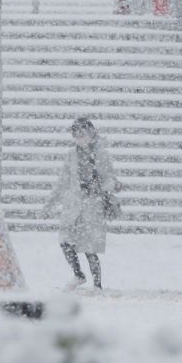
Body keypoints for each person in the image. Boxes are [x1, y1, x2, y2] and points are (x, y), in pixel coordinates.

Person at [43, 117, 120, 289]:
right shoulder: (71, 155)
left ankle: (97, 285)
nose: (79, 138)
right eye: (76, 135)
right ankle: (78, 275)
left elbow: (110, 180)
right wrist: (49, 205)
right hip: (73, 207)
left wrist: (99, 187)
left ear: (91, 134)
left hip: (93, 206)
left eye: (82, 134)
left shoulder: (102, 154)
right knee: (65, 241)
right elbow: (62, 181)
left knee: (89, 248)